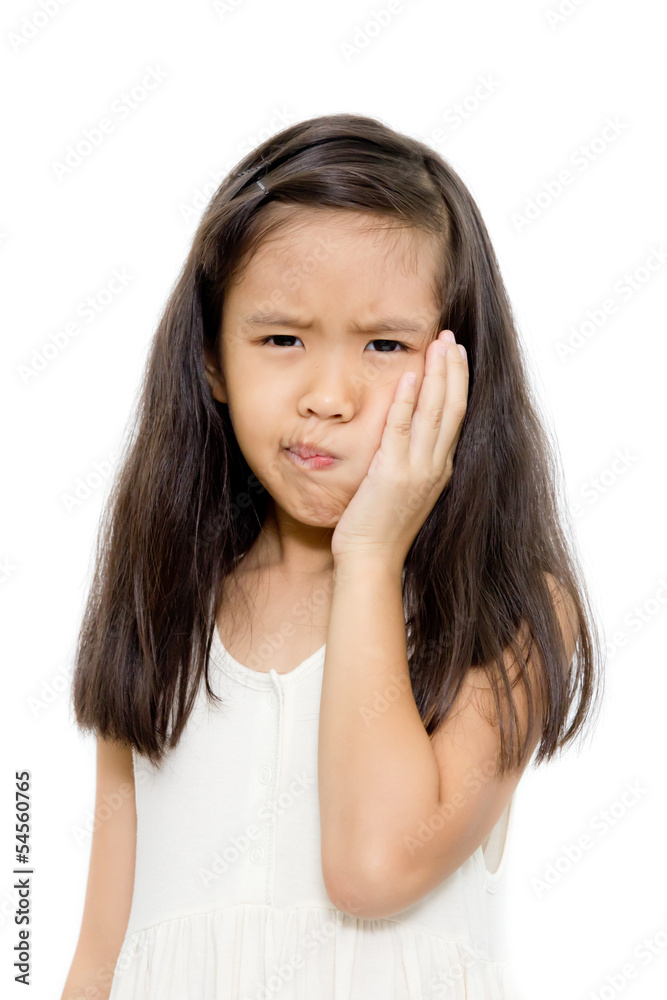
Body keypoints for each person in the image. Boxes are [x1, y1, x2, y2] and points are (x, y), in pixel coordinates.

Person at [60, 112, 604, 1000]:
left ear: (459, 369)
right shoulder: (166, 609)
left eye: (384, 345)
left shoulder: (505, 616)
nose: (328, 397)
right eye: (282, 339)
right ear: (210, 362)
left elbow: (372, 864)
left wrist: (373, 553)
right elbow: (101, 955)